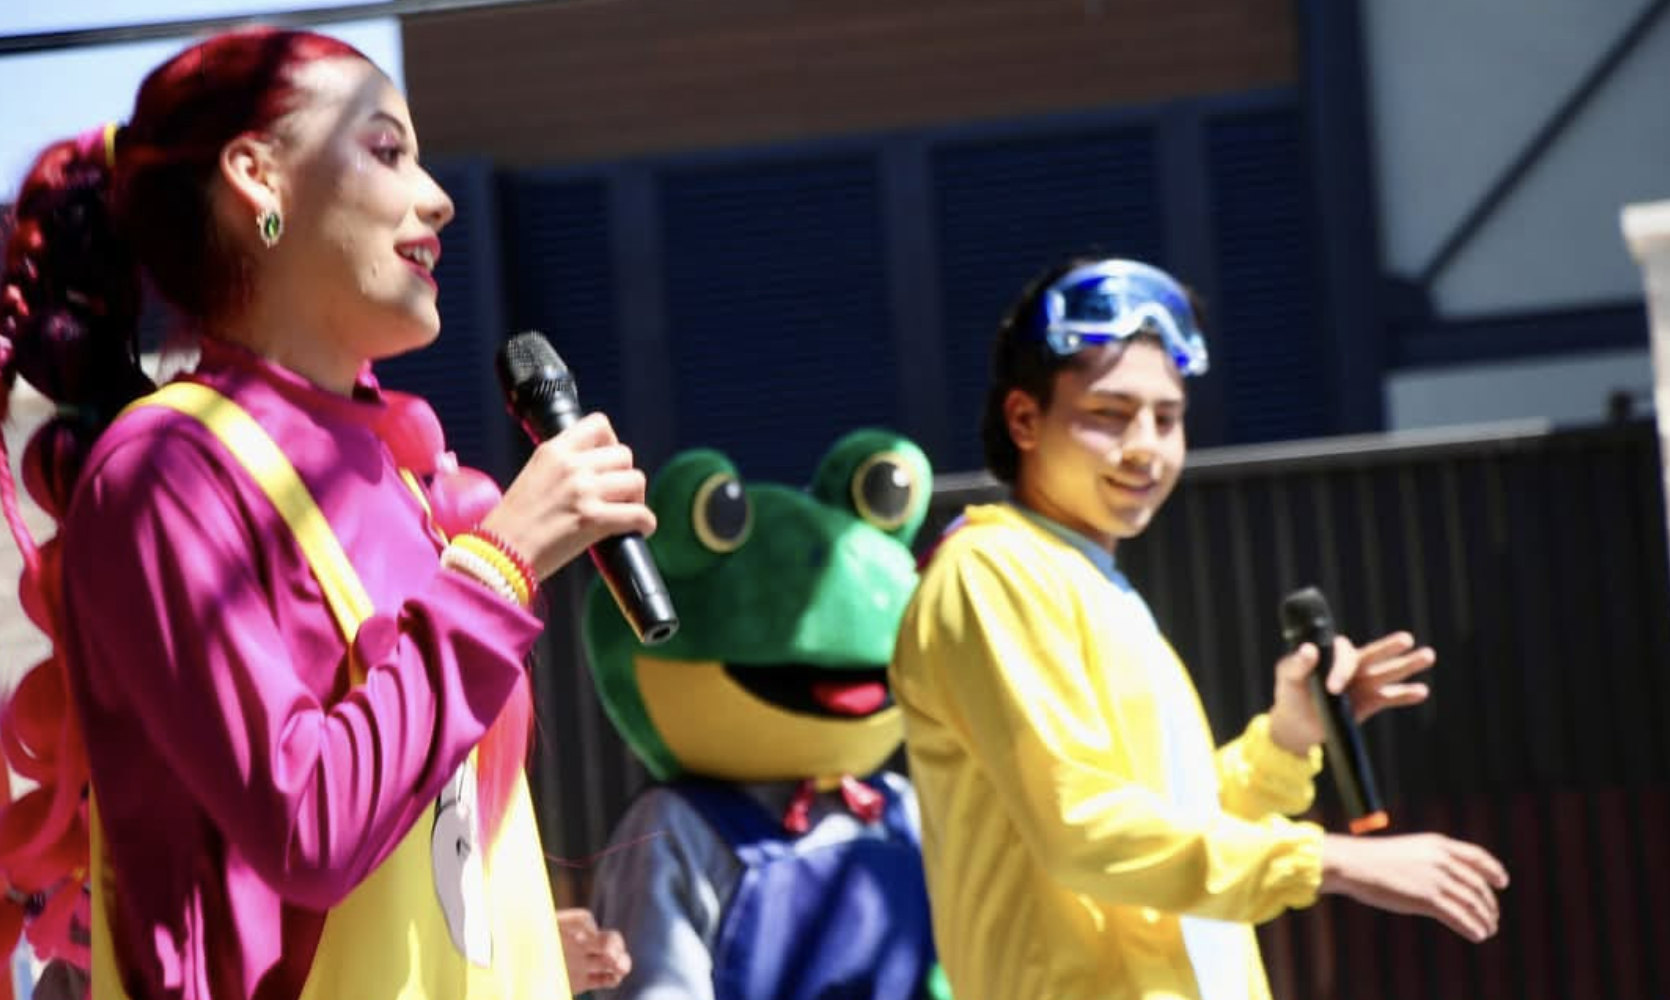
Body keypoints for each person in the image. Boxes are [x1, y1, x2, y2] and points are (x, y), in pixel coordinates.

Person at [0, 26, 655, 1000]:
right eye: (387, 151)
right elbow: (309, 821)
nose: (437, 199)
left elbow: (397, 829)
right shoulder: (163, 471)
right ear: (257, 177)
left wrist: (499, 932)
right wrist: (503, 560)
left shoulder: (391, 475)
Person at [888, 256, 1511, 1000]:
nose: (1146, 447)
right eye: (1109, 414)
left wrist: (1286, 741)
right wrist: (1331, 861)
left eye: (1168, 417)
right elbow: (1084, 830)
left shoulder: (1082, 577)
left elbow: (1167, 832)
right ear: (1024, 419)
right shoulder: (991, 571)